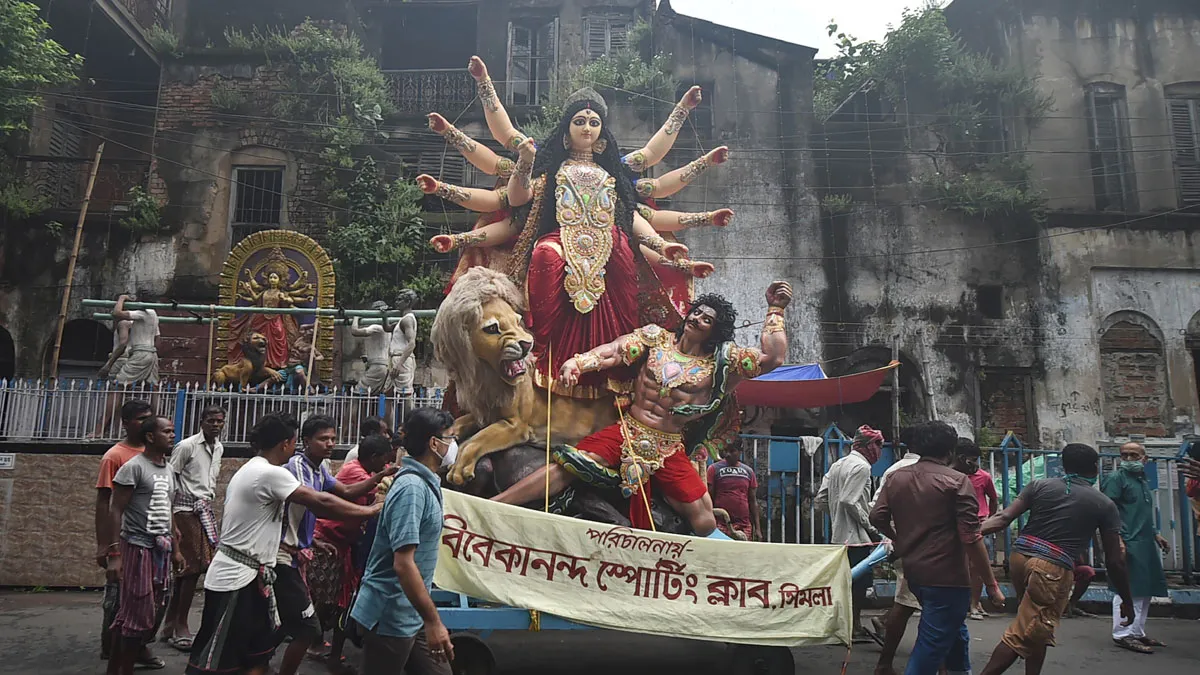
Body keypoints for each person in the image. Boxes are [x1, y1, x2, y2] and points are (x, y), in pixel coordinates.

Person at [418, 56, 713, 400]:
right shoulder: (547, 171)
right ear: (565, 130)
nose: (587, 127)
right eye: (579, 121)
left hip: (611, 247)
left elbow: (639, 199)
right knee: (545, 254)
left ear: (602, 135)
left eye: (594, 122)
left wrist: (667, 249)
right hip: (559, 244)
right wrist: (484, 92)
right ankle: (543, 360)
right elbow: (513, 197)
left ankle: (615, 377)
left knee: (623, 265)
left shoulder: (616, 175)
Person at [492, 284, 792, 535]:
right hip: (627, 431)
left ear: (715, 331)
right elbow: (614, 351)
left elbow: (773, 358)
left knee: (704, 521)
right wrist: (579, 363)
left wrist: (775, 309)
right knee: (569, 464)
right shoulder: (655, 338)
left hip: (668, 446)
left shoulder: (721, 365)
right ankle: (495, 505)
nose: (697, 319)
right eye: (696, 312)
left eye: (707, 319)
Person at [186, 413, 381, 675]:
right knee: (223, 658)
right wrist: (371, 511)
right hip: (237, 577)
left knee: (255, 651)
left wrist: (311, 540)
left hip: (251, 573)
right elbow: (320, 502)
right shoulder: (270, 473)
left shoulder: (257, 469)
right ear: (286, 444)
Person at [977, 443, 1134, 675]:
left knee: (1037, 626)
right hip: (1051, 566)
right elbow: (1114, 560)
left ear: (1064, 465)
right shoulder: (1103, 503)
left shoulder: (1039, 485)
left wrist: (967, 533)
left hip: (1020, 557)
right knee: (1024, 630)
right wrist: (1127, 600)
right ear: (1095, 467)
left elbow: (1002, 518)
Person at [870, 421, 1004, 675]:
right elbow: (971, 537)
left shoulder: (897, 476)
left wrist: (899, 538)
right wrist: (991, 584)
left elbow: (877, 516)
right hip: (948, 575)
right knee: (932, 643)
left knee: (953, 630)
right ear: (951, 450)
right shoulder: (957, 481)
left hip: (915, 570)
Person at [275, 415, 399, 675]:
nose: (330, 443)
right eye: (323, 439)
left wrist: (381, 475)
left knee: (301, 617)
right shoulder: (298, 466)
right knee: (305, 621)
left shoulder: (320, 467)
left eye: (332, 438)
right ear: (305, 441)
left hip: (305, 548)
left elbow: (347, 492)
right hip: (284, 551)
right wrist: (371, 510)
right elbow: (320, 503)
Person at [351, 408, 457, 675]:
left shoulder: (425, 483)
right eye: (451, 437)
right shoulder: (412, 489)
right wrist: (433, 621)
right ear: (434, 444)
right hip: (391, 614)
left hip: (412, 610)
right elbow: (403, 564)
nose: (454, 445)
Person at [309, 434, 394, 675]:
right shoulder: (355, 472)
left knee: (338, 602)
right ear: (374, 457)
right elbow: (370, 494)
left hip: (343, 543)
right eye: (384, 460)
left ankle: (324, 649)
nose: (386, 464)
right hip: (328, 541)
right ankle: (314, 644)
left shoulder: (363, 470)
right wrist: (384, 482)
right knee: (329, 602)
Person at [106, 415, 178, 675]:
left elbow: (168, 508)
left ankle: (114, 669)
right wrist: (115, 553)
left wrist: (176, 549)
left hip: (161, 549)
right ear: (150, 436)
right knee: (137, 613)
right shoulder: (133, 468)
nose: (172, 436)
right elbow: (116, 509)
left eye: (172, 431)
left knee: (140, 613)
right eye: (166, 431)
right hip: (137, 546)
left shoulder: (168, 469)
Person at [94, 398, 158, 666]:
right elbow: (104, 503)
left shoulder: (155, 452)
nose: (146, 423)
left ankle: (138, 646)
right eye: (141, 418)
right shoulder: (115, 456)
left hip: (152, 539)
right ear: (126, 423)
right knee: (117, 596)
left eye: (149, 417)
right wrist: (106, 546)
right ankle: (112, 649)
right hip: (124, 539)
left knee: (149, 598)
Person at [161, 406, 226, 651]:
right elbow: (170, 479)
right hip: (184, 510)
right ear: (201, 422)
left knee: (192, 569)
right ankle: (180, 625)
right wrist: (170, 518)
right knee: (191, 569)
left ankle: (170, 624)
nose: (215, 425)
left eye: (219, 421)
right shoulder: (187, 446)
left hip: (202, 509)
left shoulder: (218, 448)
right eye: (211, 421)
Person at [816, 425, 884, 642]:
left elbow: (821, 499)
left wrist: (837, 517)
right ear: (868, 446)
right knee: (858, 585)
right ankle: (853, 626)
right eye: (878, 445)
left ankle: (846, 625)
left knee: (845, 582)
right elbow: (849, 501)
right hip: (857, 538)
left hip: (839, 537)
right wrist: (871, 528)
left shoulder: (838, 465)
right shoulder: (862, 467)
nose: (880, 451)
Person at [1102, 442, 1171, 654]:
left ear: (1144, 458)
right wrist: (1117, 539)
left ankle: (1137, 631)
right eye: (1125, 455)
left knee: (1145, 588)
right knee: (1127, 587)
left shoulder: (1141, 480)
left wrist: (1155, 534)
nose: (1129, 459)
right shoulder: (1116, 479)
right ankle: (1122, 633)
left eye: (1134, 455)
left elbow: (1142, 511)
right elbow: (1107, 511)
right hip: (1127, 540)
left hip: (1144, 540)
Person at [867, 427, 921, 674]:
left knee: (909, 599)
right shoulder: (927, 470)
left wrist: (894, 537)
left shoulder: (894, 469)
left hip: (903, 544)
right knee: (914, 601)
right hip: (919, 547)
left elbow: (876, 510)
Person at [952, 438, 999, 620]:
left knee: (977, 567)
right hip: (957, 524)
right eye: (972, 460)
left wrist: (990, 519)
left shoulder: (984, 477)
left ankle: (974, 604)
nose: (975, 465)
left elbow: (993, 498)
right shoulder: (950, 476)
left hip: (979, 524)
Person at [706, 442, 761, 540]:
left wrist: (758, 528)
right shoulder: (714, 469)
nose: (728, 454)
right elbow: (709, 497)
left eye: (732, 451)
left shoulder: (748, 472)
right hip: (721, 523)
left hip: (743, 525)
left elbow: (752, 500)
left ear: (740, 452)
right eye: (725, 451)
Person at [111, 292, 161, 386]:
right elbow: (158, 341)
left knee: (119, 383)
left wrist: (121, 298)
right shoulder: (153, 315)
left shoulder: (141, 314)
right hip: (152, 353)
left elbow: (116, 313)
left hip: (139, 353)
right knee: (152, 385)